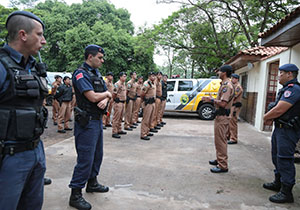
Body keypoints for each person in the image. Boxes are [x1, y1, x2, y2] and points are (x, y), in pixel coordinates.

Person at [0, 11, 47, 209]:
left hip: (36, 150)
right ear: (23, 35)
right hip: (10, 157)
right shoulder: (2, 66)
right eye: (39, 34)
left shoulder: (34, 67)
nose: (43, 41)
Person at [69, 44, 111, 210]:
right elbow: (92, 97)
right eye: (99, 58)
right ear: (90, 57)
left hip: (97, 120)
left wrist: (107, 97)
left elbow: (106, 93)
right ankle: (75, 194)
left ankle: (92, 183)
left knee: (97, 155)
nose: (102, 60)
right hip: (86, 122)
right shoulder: (81, 74)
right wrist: (106, 95)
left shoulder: (96, 74)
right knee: (85, 158)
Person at [263, 63, 300, 203]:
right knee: (276, 157)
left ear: (290, 74)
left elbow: (279, 109)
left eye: (281, 73)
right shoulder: (285, 89)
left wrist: (266, 117)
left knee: (285, 159)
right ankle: (278, 182)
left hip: (288, 130)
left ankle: (286, 192)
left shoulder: (294, 89)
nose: (279, 76)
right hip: (280, 128)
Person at [202, 65, 234, 173]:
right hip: (220, 116)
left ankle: (223, 165)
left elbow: (223, 103)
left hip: (223, 116)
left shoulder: (227, 86)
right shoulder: (224, 85)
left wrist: (211, 100)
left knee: (221, 141)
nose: (218, 73)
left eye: (219, 71)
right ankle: (219, 159)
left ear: (224, 73)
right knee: (219, 140)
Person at [227, 73, 243, 144]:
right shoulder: (233, 86)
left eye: (233, 78)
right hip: (231, 106)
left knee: (233, 122)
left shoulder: (238, 87)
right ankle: (228, 136)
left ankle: (233, 138)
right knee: (229, 121)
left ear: (237, 79)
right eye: (232, 78)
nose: (232, 79)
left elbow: (233, 96)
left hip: (235, 106)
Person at [140, 72, 157, 140]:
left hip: (153, 102)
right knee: (146, 119)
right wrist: (145, 100)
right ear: (149, 76)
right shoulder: (146, 84)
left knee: (150, 118)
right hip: (148, 103)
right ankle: (143, 134)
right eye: (153, 76)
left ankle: (147, 131)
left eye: (154, 76)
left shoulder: (153, 83)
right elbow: (142, 93)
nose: (154, 77)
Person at [112, 72, 127, 139]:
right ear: (120, 77)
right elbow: (114, 93)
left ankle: (119, 129)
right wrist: (115, 99)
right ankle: (114, 131)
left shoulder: (124, 84)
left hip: (123, 102)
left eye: (125, 76)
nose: (125, 78)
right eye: (124, 76)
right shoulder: (117, 84)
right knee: (116, 118)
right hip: (118, 102)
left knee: (121, 117)